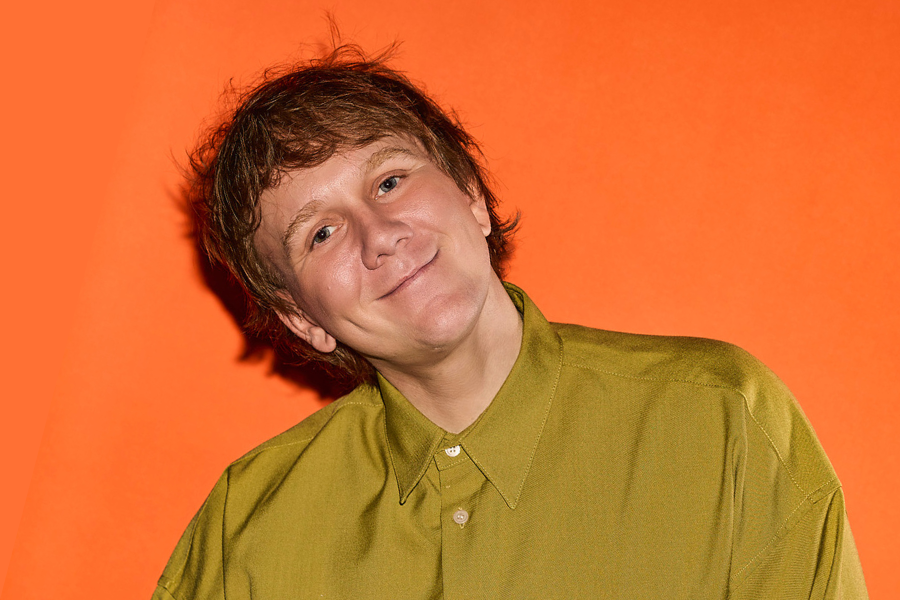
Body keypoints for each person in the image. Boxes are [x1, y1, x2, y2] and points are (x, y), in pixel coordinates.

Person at [153, 45, 868, 599]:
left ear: (470, 195)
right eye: (321, 234)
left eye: (390, 180)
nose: (380, 235)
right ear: (302, 319)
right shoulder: (246, 526)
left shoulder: (722, 418)